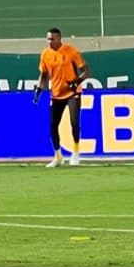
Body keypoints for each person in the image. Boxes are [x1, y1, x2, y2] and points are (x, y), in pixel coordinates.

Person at [36, 27, 88, 167]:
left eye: (52, 39)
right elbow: (43, 75)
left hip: (72, 92)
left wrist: (76, 82)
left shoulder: (71, 51)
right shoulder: (45, 54)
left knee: (74, 121)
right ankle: (58, 156)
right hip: (56, 94)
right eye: (48, 39)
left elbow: (85, 71)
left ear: (59, 38)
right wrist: (39, 90)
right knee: (53, 125)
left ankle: (76, 153)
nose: (49, 42)